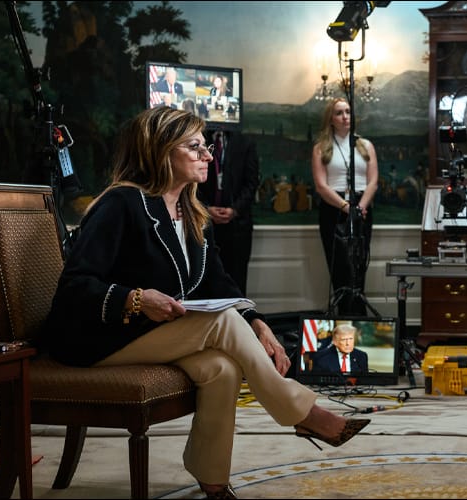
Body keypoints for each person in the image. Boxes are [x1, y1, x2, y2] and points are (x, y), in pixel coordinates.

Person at [42, 107, 369, 499]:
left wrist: (258, 322)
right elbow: (74, 287)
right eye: (195, 147)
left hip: (152, 335)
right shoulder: (121, 203)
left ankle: (212, 479)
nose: (208, 156)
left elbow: (218, 280)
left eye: (206, 147)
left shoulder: (192, 212)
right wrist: (136, 298)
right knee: (223, 322)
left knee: (222, 369)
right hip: (97, 339)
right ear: (162, 151)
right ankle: (303, 413)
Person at [310, 97, 379, 316]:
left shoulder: (365, 145)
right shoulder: (321, 148)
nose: (345, 117)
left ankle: (359, 320)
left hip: (362, 208)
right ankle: (345, 319)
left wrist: (360, 207)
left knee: (358, 266)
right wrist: (346, 207)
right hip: (334, 209)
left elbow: (373, 182)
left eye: (348, 112)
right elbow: (321, 186)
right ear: (331, 119)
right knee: (340, 269)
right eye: (339, 113)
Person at [196, 127, 260, 295]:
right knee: (205, 280)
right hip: (204, 223)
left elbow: (252, 182)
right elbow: (192, 183)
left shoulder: (245, 143)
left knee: (237, 278)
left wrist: (235, 210)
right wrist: (206, 209)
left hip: (238, 226)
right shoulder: (201, 139)